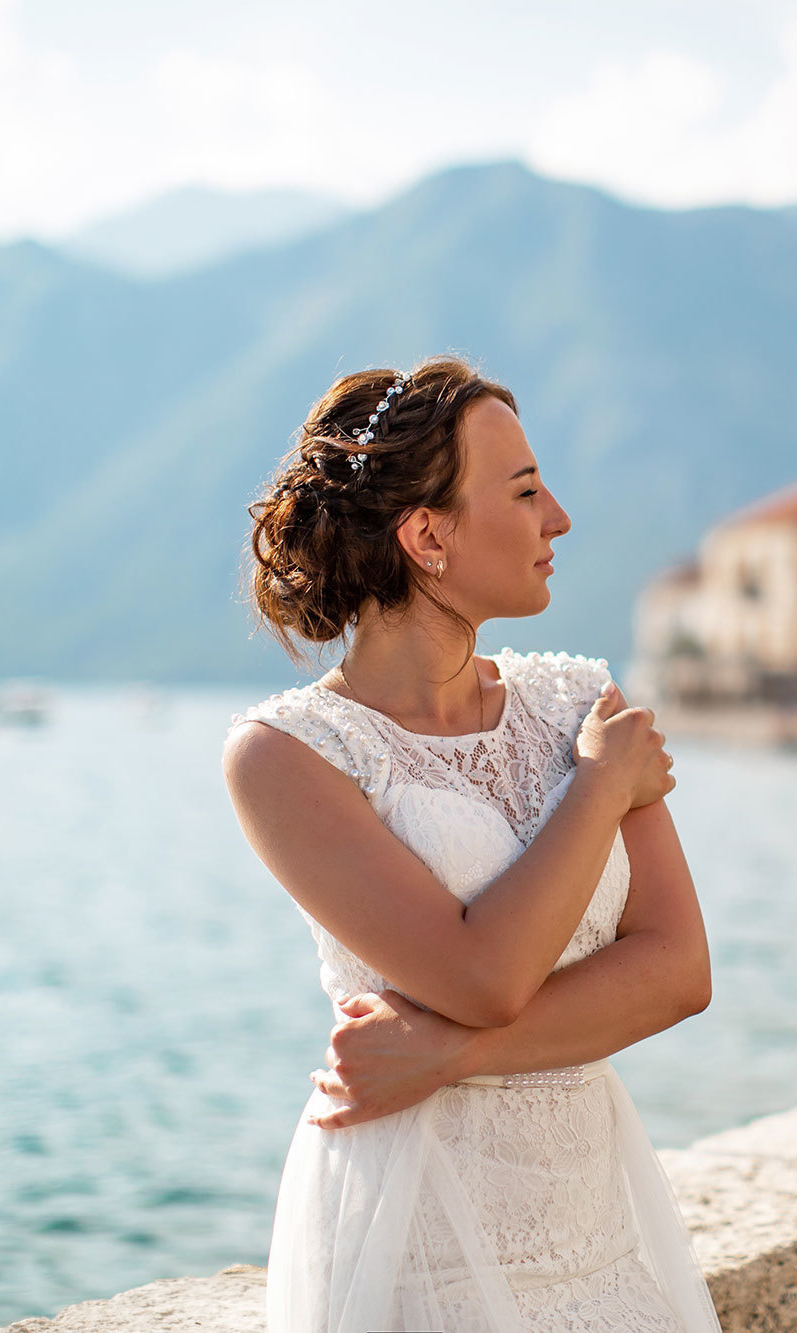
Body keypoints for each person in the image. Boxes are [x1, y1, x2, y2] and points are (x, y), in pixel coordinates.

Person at [221, 356, 724, 1332]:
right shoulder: (286, 756)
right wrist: (600, 786)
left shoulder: (580, 701)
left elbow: (678, 970)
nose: (559, 520)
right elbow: (481, 974)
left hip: (596, 1225)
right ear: (427, 535)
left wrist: (446, 1056)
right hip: (416, 1239)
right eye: (527, 490)